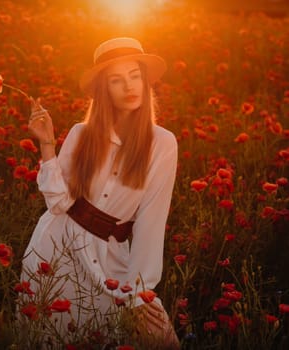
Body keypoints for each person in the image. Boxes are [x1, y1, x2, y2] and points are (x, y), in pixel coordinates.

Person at [19, 37, 180, 348]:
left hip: (110, 255)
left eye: (135, 75)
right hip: (55, 251)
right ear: (104, 90)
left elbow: (151, 220)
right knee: (56, 338)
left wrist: (139, 291)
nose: (129, 86)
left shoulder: (162, 143)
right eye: (116, 80)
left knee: (157, 338)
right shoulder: (83, 134)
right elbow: (58, 202)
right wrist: (47, 145)